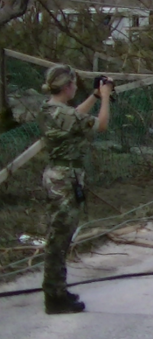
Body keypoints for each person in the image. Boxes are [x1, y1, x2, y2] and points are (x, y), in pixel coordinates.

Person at [38, 65, 113, 314]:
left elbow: (75, 116)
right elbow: (100, 125)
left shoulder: (51, 109)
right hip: (64, 179)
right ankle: (54, 296)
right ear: (68, 86)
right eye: (74, 84)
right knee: (59, 239)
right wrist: (104, 98)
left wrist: (93, 95)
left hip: (58, 175)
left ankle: (57, 289)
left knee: (59, 236)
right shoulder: (63, 114)